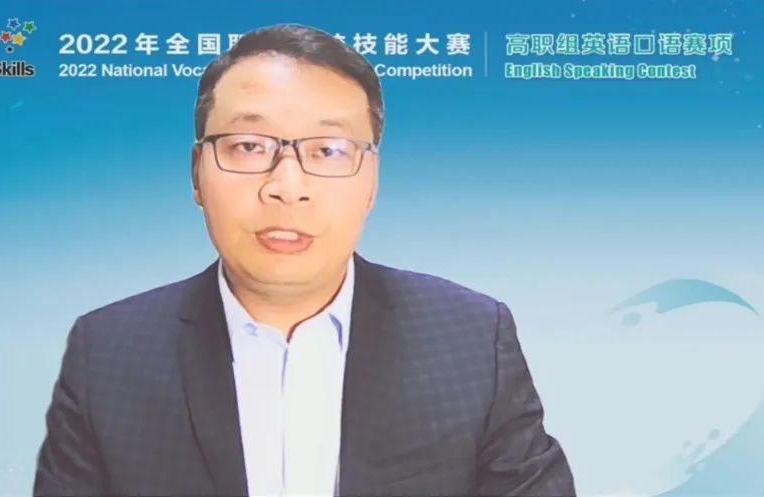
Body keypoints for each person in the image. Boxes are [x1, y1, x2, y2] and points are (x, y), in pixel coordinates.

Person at [33, 23, 575, 497]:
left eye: (328, 151)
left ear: (371, 181)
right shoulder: (106, 353)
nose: (287, 187)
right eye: (249, 146)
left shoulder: (471, 338)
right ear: (198, 172)